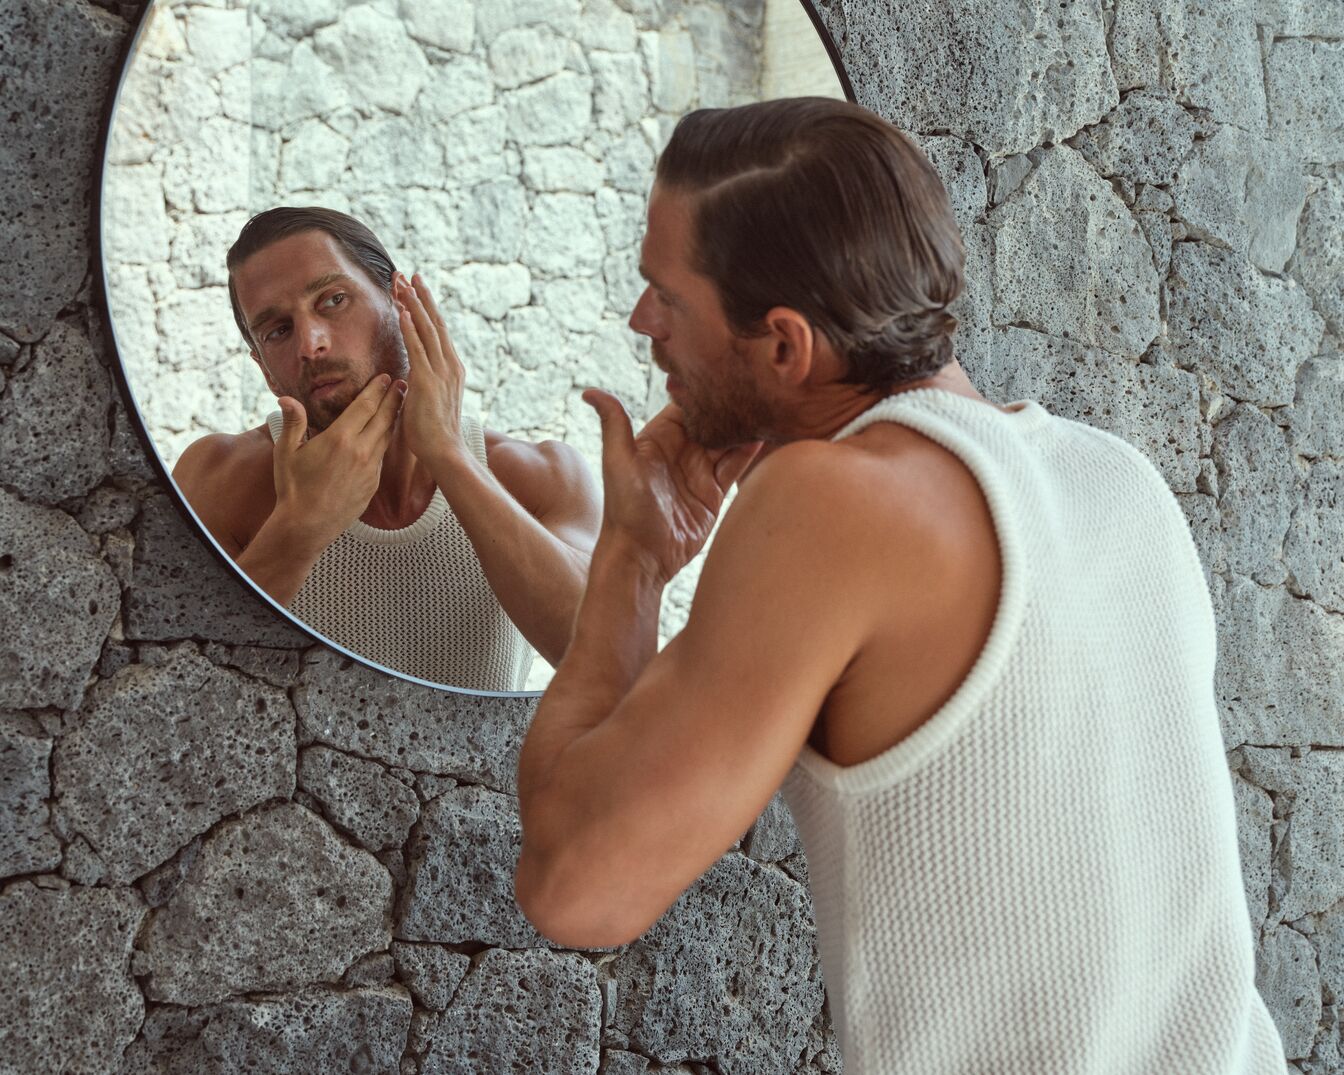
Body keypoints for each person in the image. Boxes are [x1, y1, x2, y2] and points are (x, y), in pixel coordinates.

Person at [514, 98, 1285, 1071]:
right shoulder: (1115, 477)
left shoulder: (833, 501)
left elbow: (576, 887)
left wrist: (629, 557)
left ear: (786, 346)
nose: (642, 324)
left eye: (665, 297)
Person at [172, 207, 601, 691]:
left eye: (333, 300)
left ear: (401, 303)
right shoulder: (219, 477)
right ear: (264, 367)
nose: (310, 343)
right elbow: (177, 692)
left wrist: (450, 456)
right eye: (278, 331)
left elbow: (601, 655)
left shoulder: (541, 475)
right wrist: (299, 527)